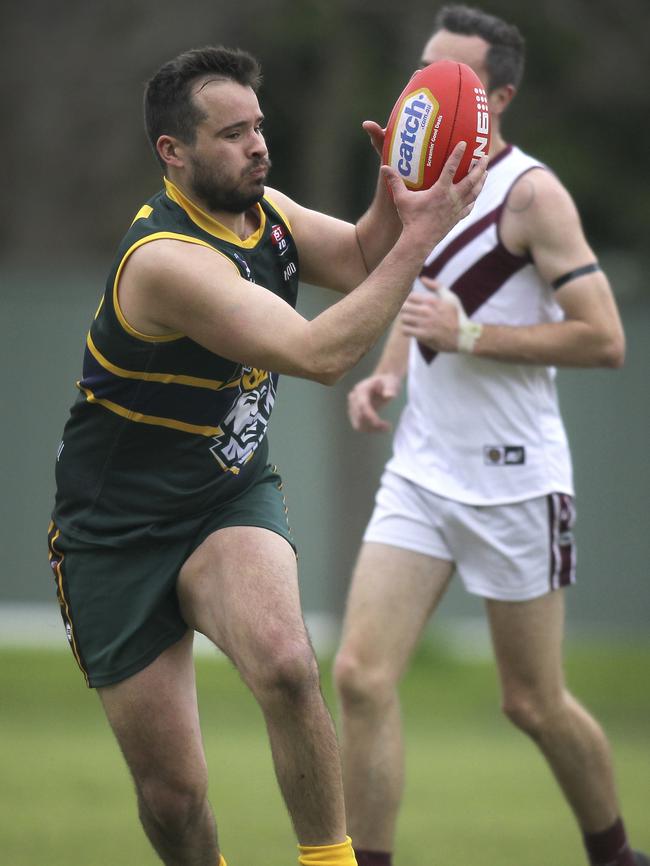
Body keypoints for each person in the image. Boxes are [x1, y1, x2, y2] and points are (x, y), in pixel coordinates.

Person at [46, 45, 486, 866]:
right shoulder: (167, 262)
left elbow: (358, 257)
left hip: (224, 497)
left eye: (259, 125)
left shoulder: (267, 215)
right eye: (232, 133)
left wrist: (400, 196)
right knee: (173, 800)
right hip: (115, 534)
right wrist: (423, 237)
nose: (258, 145)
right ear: (172, 153)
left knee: (287, 664)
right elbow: (321, 354)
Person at [333, 6, 648, 866]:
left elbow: (606, 339)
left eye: (453, 78)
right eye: (423, 72)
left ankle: (616, 855)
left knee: (532, 702)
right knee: (359, 676)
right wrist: (391, 368)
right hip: (422, 473)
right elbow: (425, 288)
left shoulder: (533, 195)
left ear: (497, 96)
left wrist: (470, 338)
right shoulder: (425, 190)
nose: (424, 94)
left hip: (515, 481)